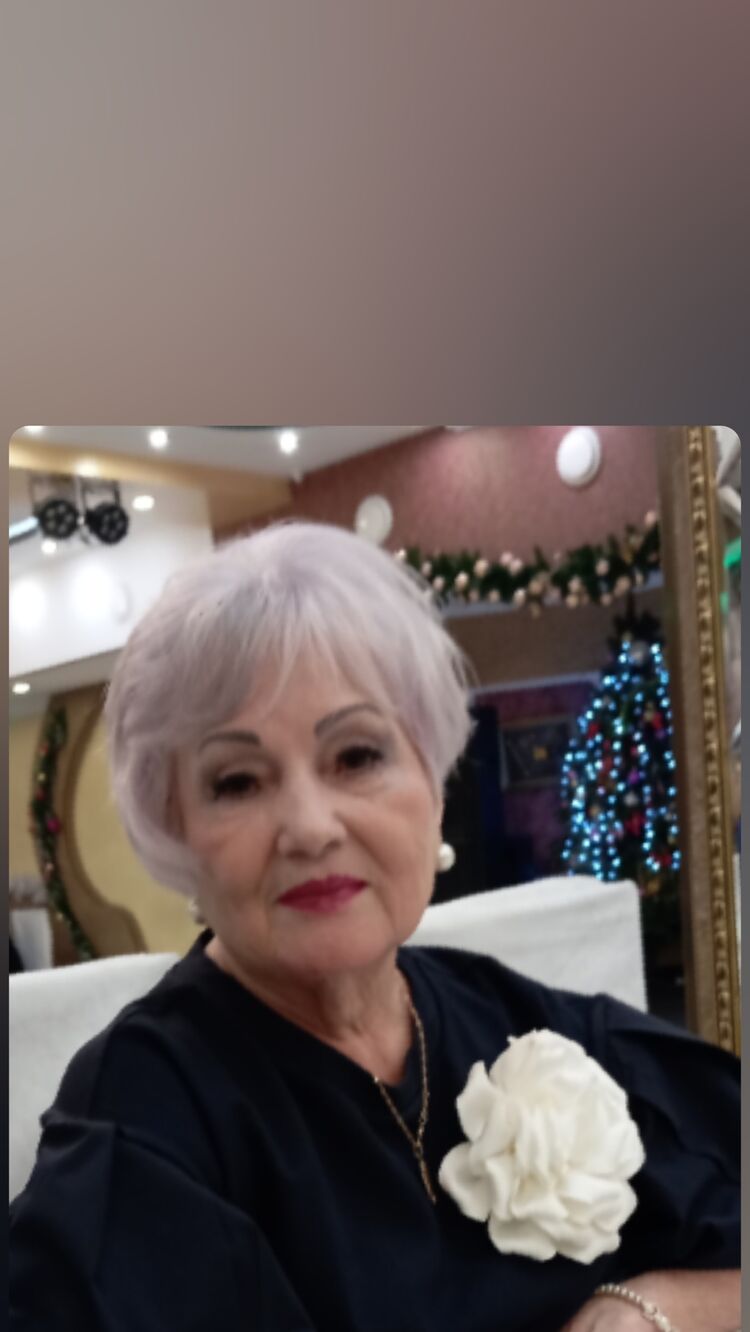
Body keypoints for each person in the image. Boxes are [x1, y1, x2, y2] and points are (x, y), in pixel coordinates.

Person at [10, 522, 739, 1332]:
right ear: (175, 827)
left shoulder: (521, 1022)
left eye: (356, 757)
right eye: (238, 781)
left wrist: (648, 1308)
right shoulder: (144, 1108)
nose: (309, 827)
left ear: (432, 779)